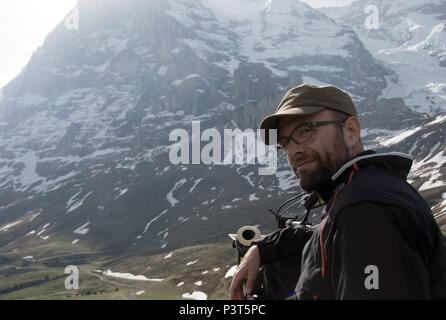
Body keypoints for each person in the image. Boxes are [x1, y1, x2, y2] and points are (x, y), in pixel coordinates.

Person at [229, 83, 446, 300]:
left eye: (305, 131)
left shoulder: (365, 209)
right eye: (285, 143)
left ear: (350, 131)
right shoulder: (358, 192)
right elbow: (330, 240)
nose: (293, 151)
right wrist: (265, 248)